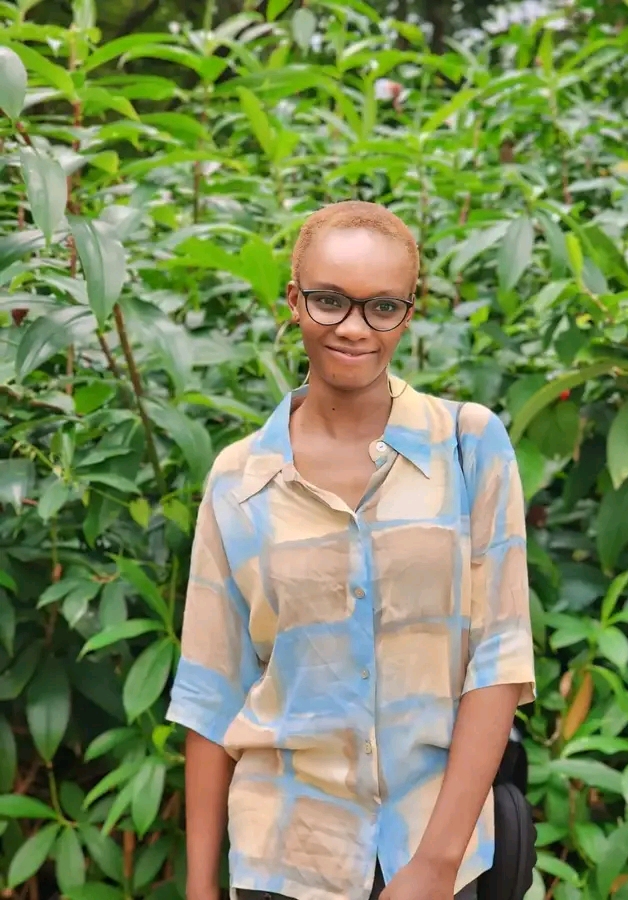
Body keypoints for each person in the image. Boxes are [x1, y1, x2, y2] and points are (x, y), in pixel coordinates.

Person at [166, 200, 536, 900]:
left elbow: (499, 659)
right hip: (284, 856)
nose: (354, 328)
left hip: (437, 852)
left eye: (382, 307)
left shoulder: (469, 446)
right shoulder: (239, 479)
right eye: (330, 300)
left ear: (408, 312)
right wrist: (199, 887)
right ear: (294, 300)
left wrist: (434, 865)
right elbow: (212, 692)